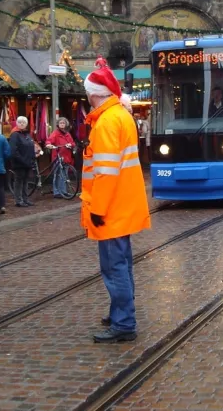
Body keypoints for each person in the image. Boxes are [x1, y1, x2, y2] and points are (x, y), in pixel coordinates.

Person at [81, 64, 150, 343]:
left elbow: (105, 172)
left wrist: (97, 209)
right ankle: (121, 313)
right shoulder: (120, 116)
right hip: (123, 203)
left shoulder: (107, 121)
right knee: (122, 264)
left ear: (92, 93)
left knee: (114, 267)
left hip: (110, 208)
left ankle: (124, 322)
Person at [9, 116, 37, 208]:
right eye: (20, 122)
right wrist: (22, 160)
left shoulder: (27, 134)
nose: (22, 124)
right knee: (19, 181)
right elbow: (14, 150)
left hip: (27, 162)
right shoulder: (15, 134)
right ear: (17, 123)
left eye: (23, 122)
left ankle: (25, 199)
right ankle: (18, 200)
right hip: (19, 163)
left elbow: (31, 146)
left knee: (25, 181)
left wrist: (32, 158)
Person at [46, 117, 76, 198]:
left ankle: (64, 191)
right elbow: (49, 140)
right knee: (57, 174)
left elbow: (73, 143)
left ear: (66, 124)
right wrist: (49, 145)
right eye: (60, 123)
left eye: (63, 123)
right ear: (58, 124)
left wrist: (70, 145)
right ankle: (56, 192)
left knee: (65, 175)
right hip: (58, 156)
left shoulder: (67, 134)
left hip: (66, 157)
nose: (62, 124)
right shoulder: (55, 133)